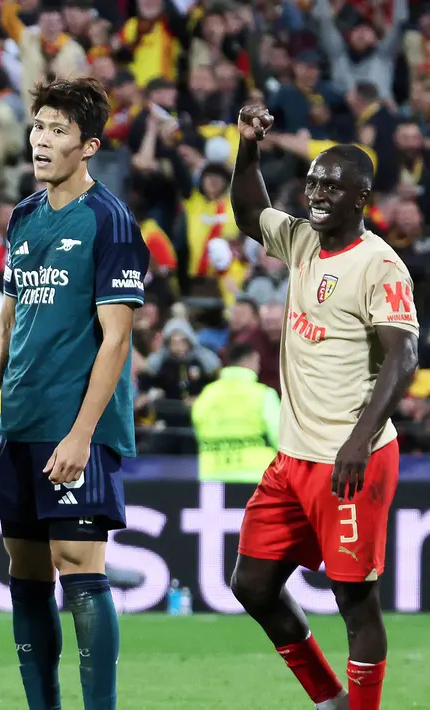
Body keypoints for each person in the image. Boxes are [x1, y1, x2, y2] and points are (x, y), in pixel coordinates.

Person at [0, 77, 149, 710]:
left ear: (89, 145)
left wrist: (81, 434)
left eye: (58, 131)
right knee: (26, 571)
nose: (42, 141)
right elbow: (7, 324)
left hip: (75, 427)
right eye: (38, 127)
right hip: (20, 423)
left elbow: (117, 340)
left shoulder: (111, 221)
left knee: (78, 565)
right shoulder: (22, 216)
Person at [228, 105, 420, 710]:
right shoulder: (303, 239)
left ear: (361, 197)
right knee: (252, 584)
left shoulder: (380, 264)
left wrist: (360, 439)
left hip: (350, 459)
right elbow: (247, 213)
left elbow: (405, 355)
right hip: (293, 459)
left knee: (354, 600)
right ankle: (329, 700)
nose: (317, 193)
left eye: (332, 185)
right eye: (312, 181)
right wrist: (248, 148)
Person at [191, 341, 281, 483]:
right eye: (257, 362)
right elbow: (280, 436)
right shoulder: (263, 394)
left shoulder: (207, 394)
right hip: (255, 476)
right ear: (249, 361)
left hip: (212, 476)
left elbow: (198, 429)